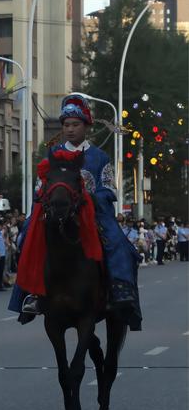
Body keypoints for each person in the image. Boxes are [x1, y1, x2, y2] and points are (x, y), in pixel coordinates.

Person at [9, 94, 142, 331]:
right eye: (66, 125)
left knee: (119, 243)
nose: (70, 130)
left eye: (75, 124)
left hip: (93, 214)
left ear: (87, 126)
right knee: (26, 235)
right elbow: (41, 187)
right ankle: (30, 295)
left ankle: (121, 291)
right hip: (57, 213)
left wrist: (88, 198)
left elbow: (109, 188)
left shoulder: (99, 157)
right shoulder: (53, 154)